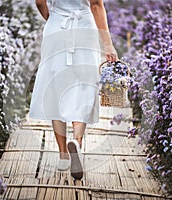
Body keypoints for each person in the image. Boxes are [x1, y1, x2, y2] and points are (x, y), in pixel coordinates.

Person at [30, 0, 118, 180]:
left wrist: (51, 17)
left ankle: (63, 155)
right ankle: (76, 142)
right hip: (84, 27)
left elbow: (40, 2)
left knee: (55, 88)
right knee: (84, 87)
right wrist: (108, 45)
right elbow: (96, 5)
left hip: (57, 26)